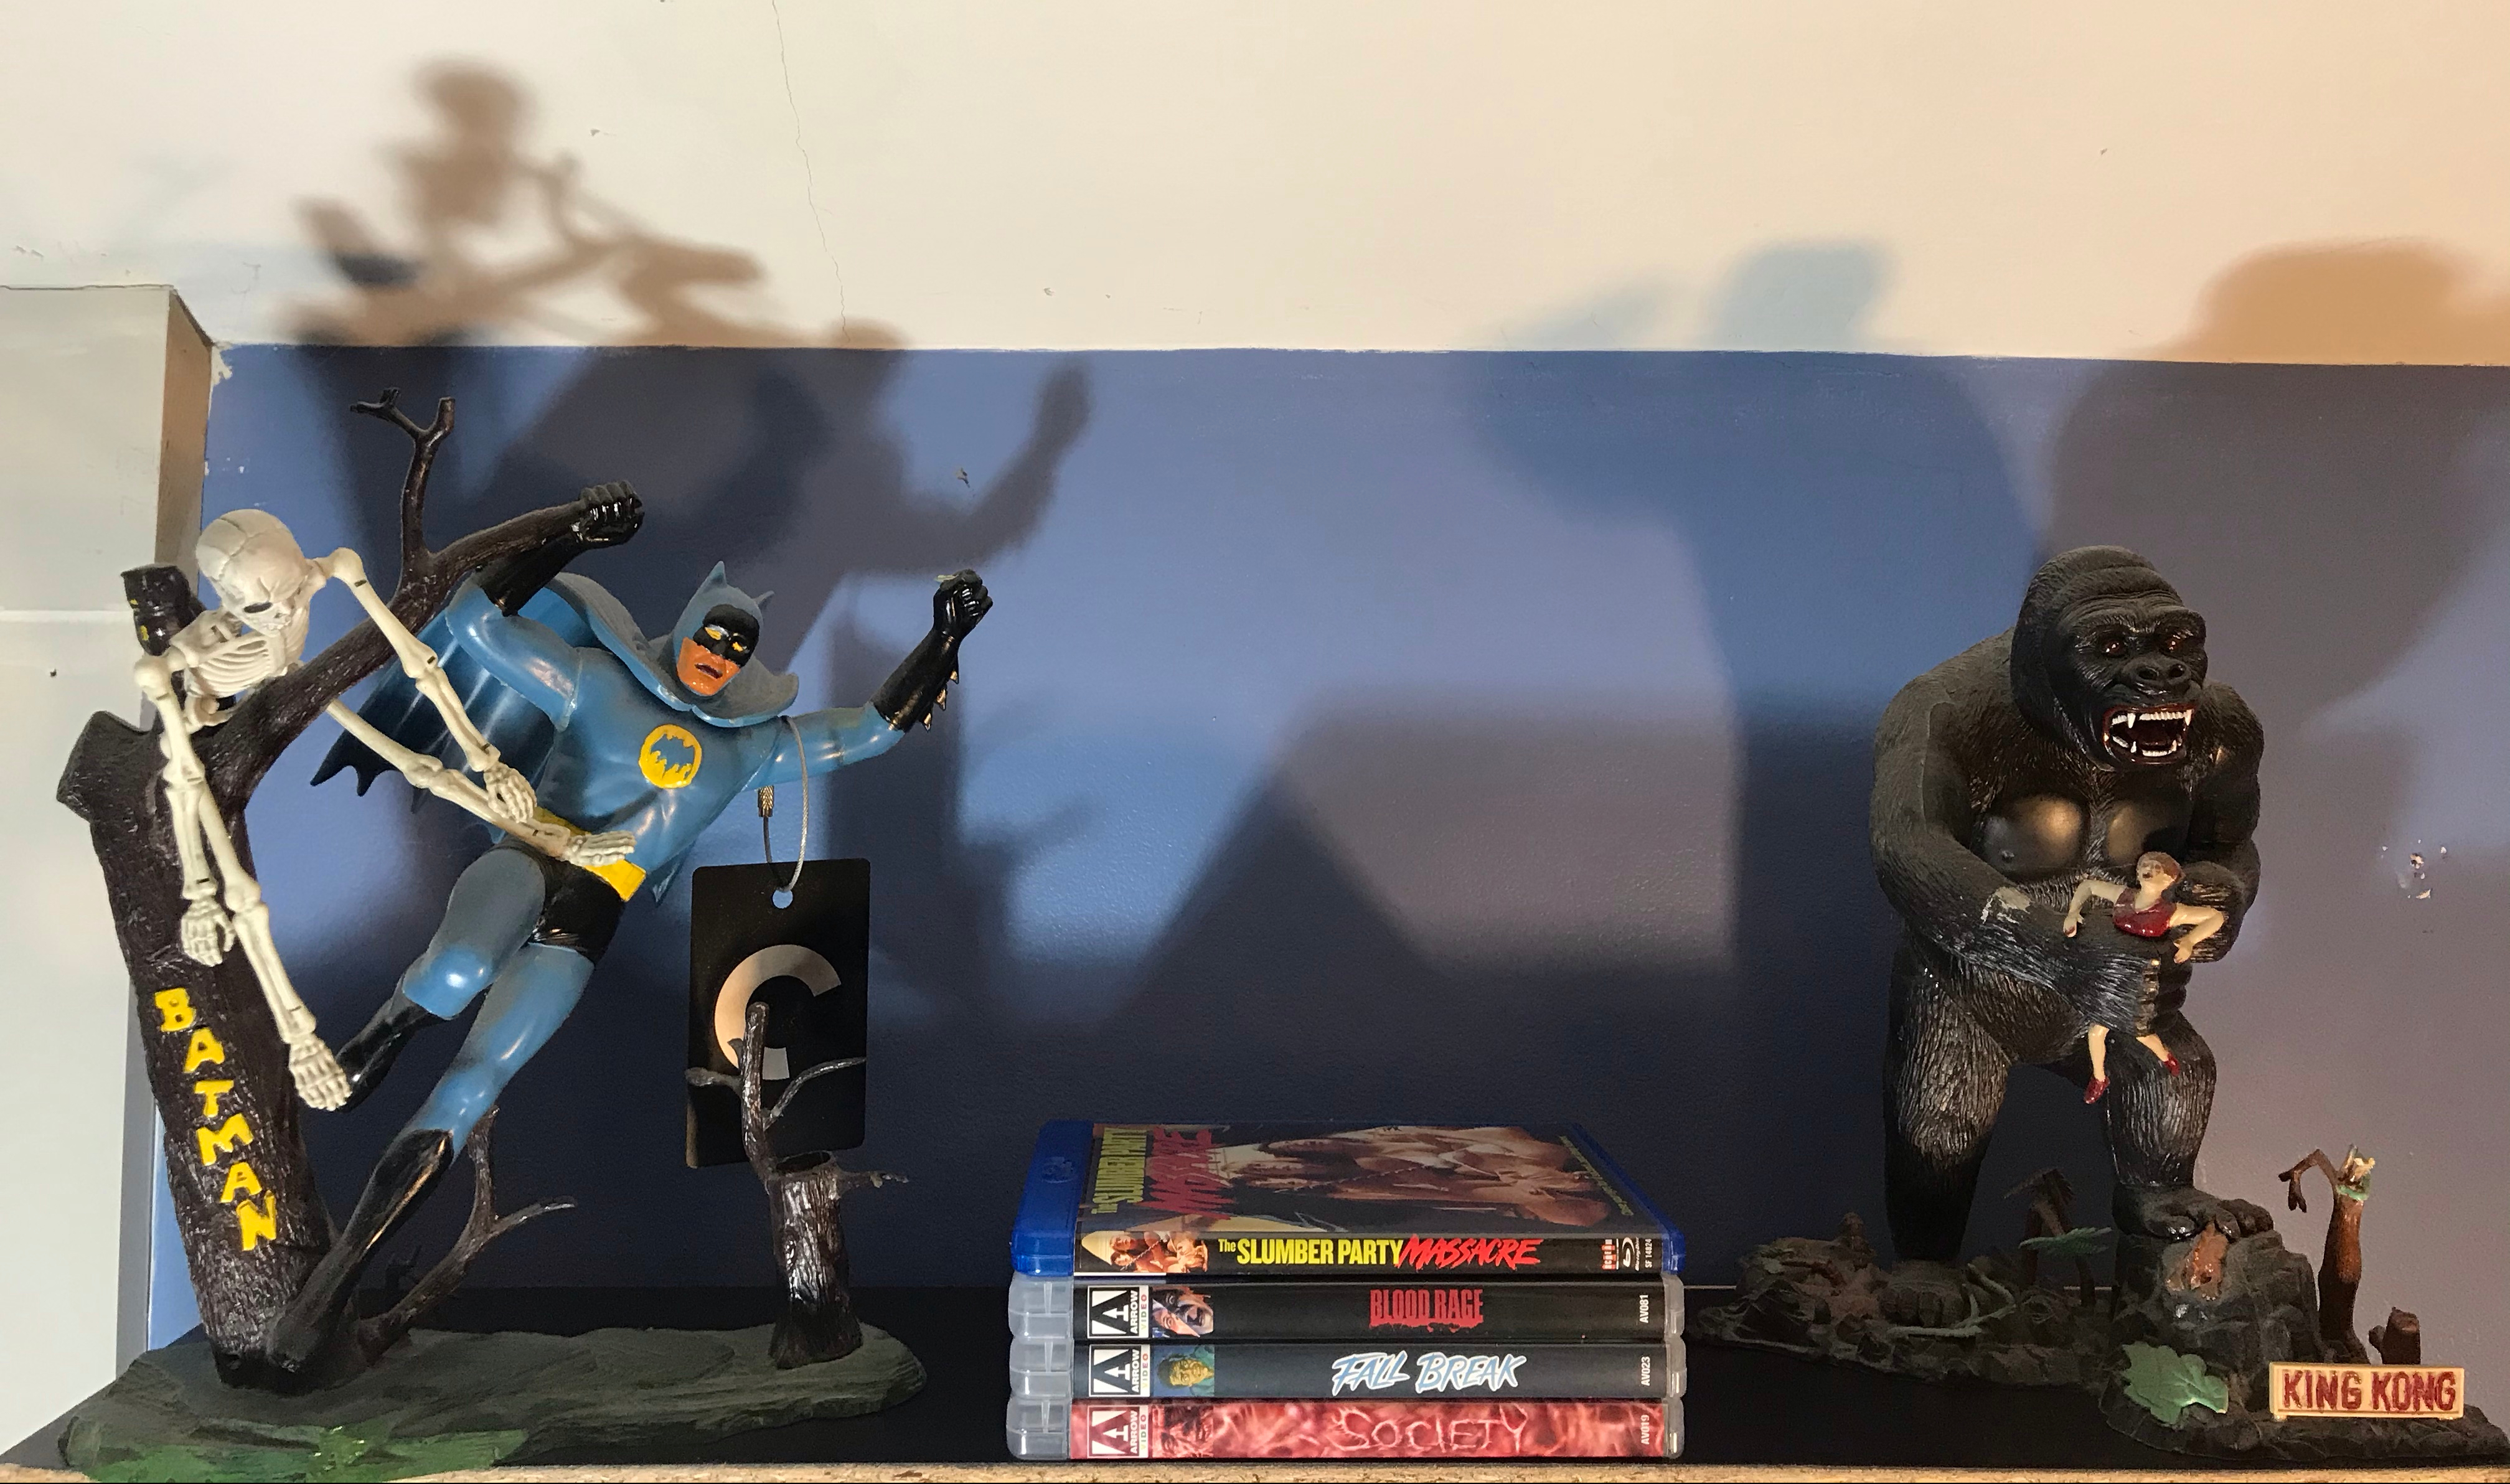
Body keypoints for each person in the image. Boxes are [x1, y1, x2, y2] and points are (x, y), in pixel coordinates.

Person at [268, 485, 988, 1379]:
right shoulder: (597, 681)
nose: (717, 658)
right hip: (529, 857)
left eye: (736, 649)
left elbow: (872, 732)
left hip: (591, 914)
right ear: (683, 628)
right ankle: (383, 1032)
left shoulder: (751, 747)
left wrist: (946, 637)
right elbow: (479, 625)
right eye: (710, 637)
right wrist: (563, 541)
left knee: (476, 1083)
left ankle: (333, 1286)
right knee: (458, 968)